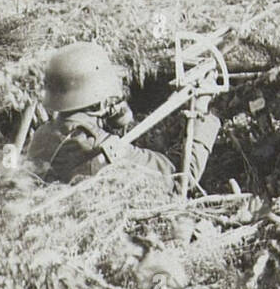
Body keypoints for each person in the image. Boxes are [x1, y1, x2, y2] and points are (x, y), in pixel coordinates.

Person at [25, 41, 220, 190]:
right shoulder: (100, 148)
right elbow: (182, 177)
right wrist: (201, 110)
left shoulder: (42, 135)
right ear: (99, 101)